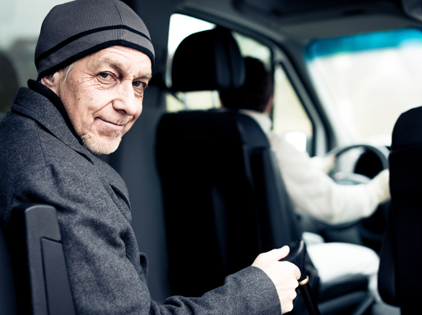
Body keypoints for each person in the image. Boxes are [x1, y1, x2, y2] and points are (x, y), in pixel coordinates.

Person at [0, 1, 301, 314]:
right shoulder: (64, 178)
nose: (130, 105)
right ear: (52, 73)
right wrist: (260, 291)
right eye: (106, 75)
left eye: (139, 84)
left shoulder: (15, 136)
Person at [219, 56, 391, 301]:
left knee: (314, 238)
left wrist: (311, 169)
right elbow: (334, 208)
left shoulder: (204, 134)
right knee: (372, 260)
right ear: (270, 100)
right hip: (274, 268)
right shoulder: (270, 144)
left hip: (227, 259)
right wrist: (378, 190)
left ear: (221, 96)